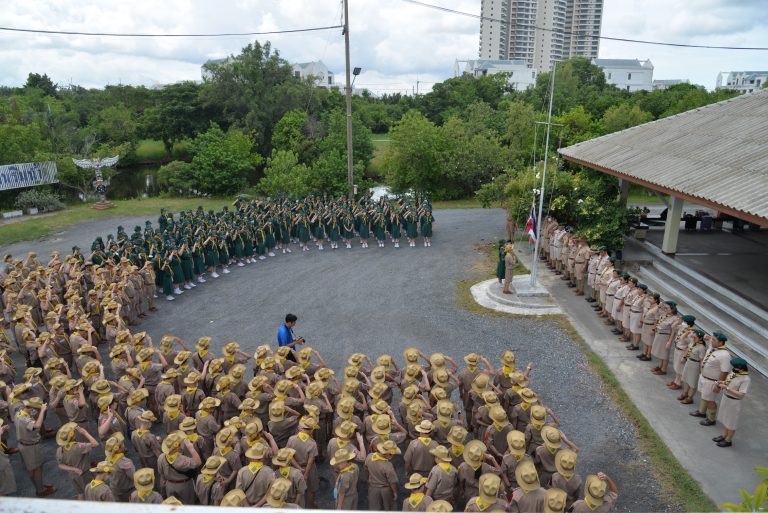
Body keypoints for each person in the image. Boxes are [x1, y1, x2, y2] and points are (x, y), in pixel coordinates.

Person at [713, 358, 750, 447]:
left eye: (737, 368)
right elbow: (728, 382)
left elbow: (741, 394)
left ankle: (728, 440)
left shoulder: (745, 379)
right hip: (726, 398)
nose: (734, 369)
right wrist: (722, 382)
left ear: (742, 368)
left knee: (731, 422)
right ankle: (724, 435)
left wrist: (727, 388)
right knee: (725, 418)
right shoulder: (733, 373)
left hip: (734, 402)